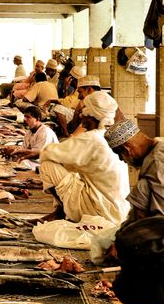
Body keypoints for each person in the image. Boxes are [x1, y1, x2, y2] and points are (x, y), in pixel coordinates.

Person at [39, 91, 130, 225]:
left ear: (90, 116)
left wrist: (33, 153)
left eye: (83, 114)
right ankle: (61, 211)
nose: (81, 117)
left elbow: (49, 152)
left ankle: (63, 212)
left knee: (47, 165)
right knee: (70, 168)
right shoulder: (109, 136)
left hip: (101, 210)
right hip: (117, 211)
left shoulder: (91, 138)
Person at [105, 119, 164, 224]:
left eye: (119, 154)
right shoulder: (159, 144)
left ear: (127, 149)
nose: (121, 159)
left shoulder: (157, 162)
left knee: (142, 188)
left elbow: (160, 218)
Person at [44, 66, 84, 137]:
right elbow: (66, 99)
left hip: (76, 112)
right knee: (53, 109)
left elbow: (66, 103)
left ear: (72, 79)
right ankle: (58, 130)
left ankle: (65, 132)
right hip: (72, 110)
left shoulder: (79, 89)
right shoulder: (74, 89)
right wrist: (66, 88)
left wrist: (65, 87)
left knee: (58, 108)